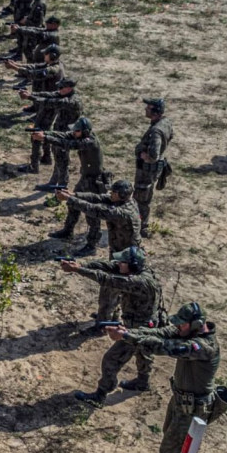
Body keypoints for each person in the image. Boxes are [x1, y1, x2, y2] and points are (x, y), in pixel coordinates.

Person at [105, 302, 220, 453]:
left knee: (172, 446)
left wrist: (126, 337)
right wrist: (130, 332)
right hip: (182, 401)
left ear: (196, 325)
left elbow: (165, 347)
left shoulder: (202, 347)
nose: (178, 328)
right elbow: (163, 333)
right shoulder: (190, 334)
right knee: (169, 436)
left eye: (182, 325)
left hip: (193, 408)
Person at [59, 246, 164, 402]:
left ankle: (101, 394)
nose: (118, 263)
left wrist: (78, 270)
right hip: (148, 323)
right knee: (143, 353)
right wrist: (81, 265)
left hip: (138, 329)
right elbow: (108, 266)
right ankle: (143, 382)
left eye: (123, 262)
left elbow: (108, 279)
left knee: (111, 360)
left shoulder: (138, 282)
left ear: (132, 265)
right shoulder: (141, 270)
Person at [35, 116, 107, 254]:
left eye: (77, 131)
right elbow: (64, 135)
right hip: (86, 178)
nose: (74, 133)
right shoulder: (81, 136)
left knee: (91, 214)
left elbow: (68, 144)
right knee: (72, 203)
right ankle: (68, 230)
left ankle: (92, 245)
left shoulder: (89, 141)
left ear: (84, 131)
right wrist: (46, 133)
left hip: (94, 182)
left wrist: (46, 139)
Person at [18, 73, 79, 183]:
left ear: (69, 89)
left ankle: (60, 185)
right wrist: (31, 94)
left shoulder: (70, 101)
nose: (58, 89)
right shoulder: (64, 95)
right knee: (58, 156)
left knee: (61, 158)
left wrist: (30, 97)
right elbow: (49, 95)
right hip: (61, 130)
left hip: (67, 133)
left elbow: (51, 102)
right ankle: (55, 182)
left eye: (61, 87)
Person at [134, 97, 173, 238]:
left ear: (155, 112)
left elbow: (154, 155)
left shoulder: (156, 131)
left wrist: (144, 155)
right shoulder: (166, 122)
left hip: (147, 171)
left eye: (148, 108)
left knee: (142, 198)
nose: (145, 109)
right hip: (154, 168)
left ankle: (140, 227)